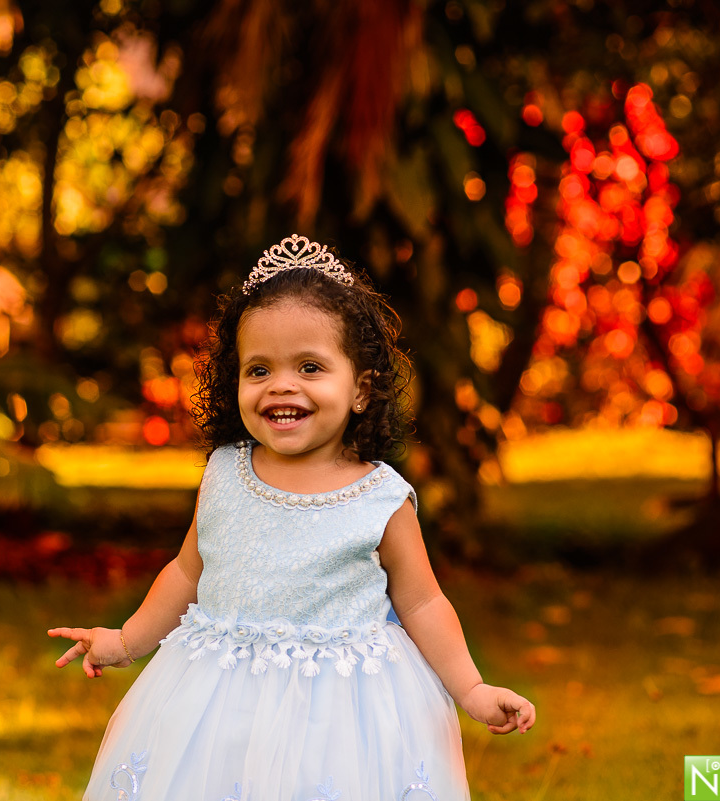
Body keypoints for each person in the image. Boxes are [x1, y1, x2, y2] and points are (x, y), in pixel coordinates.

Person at [49, 234, 535, 800]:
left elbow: (423, 602)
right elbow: (186, 573)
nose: (282, 384)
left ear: (360, 388)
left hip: (338, 715)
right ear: (235, 384)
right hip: (218, 702)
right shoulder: (224, 476)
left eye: (309, 367)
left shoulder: (379, 498)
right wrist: (127, 641)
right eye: (259, 370)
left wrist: (471, 689)